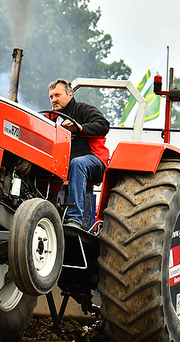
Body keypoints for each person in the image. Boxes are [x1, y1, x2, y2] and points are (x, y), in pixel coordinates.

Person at [47, 78, 110, 230]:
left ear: (70, 95)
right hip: (62, 165)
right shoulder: (49, 118)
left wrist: (80, 128)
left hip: (93, 161)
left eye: (57, 95)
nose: (54, 100)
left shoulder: (82, 110)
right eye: (51, 97)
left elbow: (103, 125)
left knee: (77, 163)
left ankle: (75, 218)